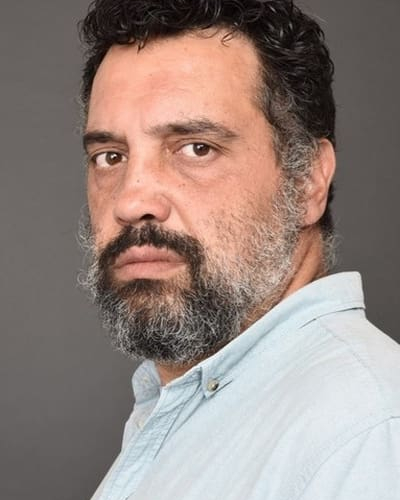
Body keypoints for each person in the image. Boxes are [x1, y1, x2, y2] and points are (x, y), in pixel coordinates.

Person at [77, 1, 400, 499]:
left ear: (308, 179)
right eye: (110, 156)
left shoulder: (366, 432)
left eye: (196, 148)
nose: (131, 201)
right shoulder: (187, 407)